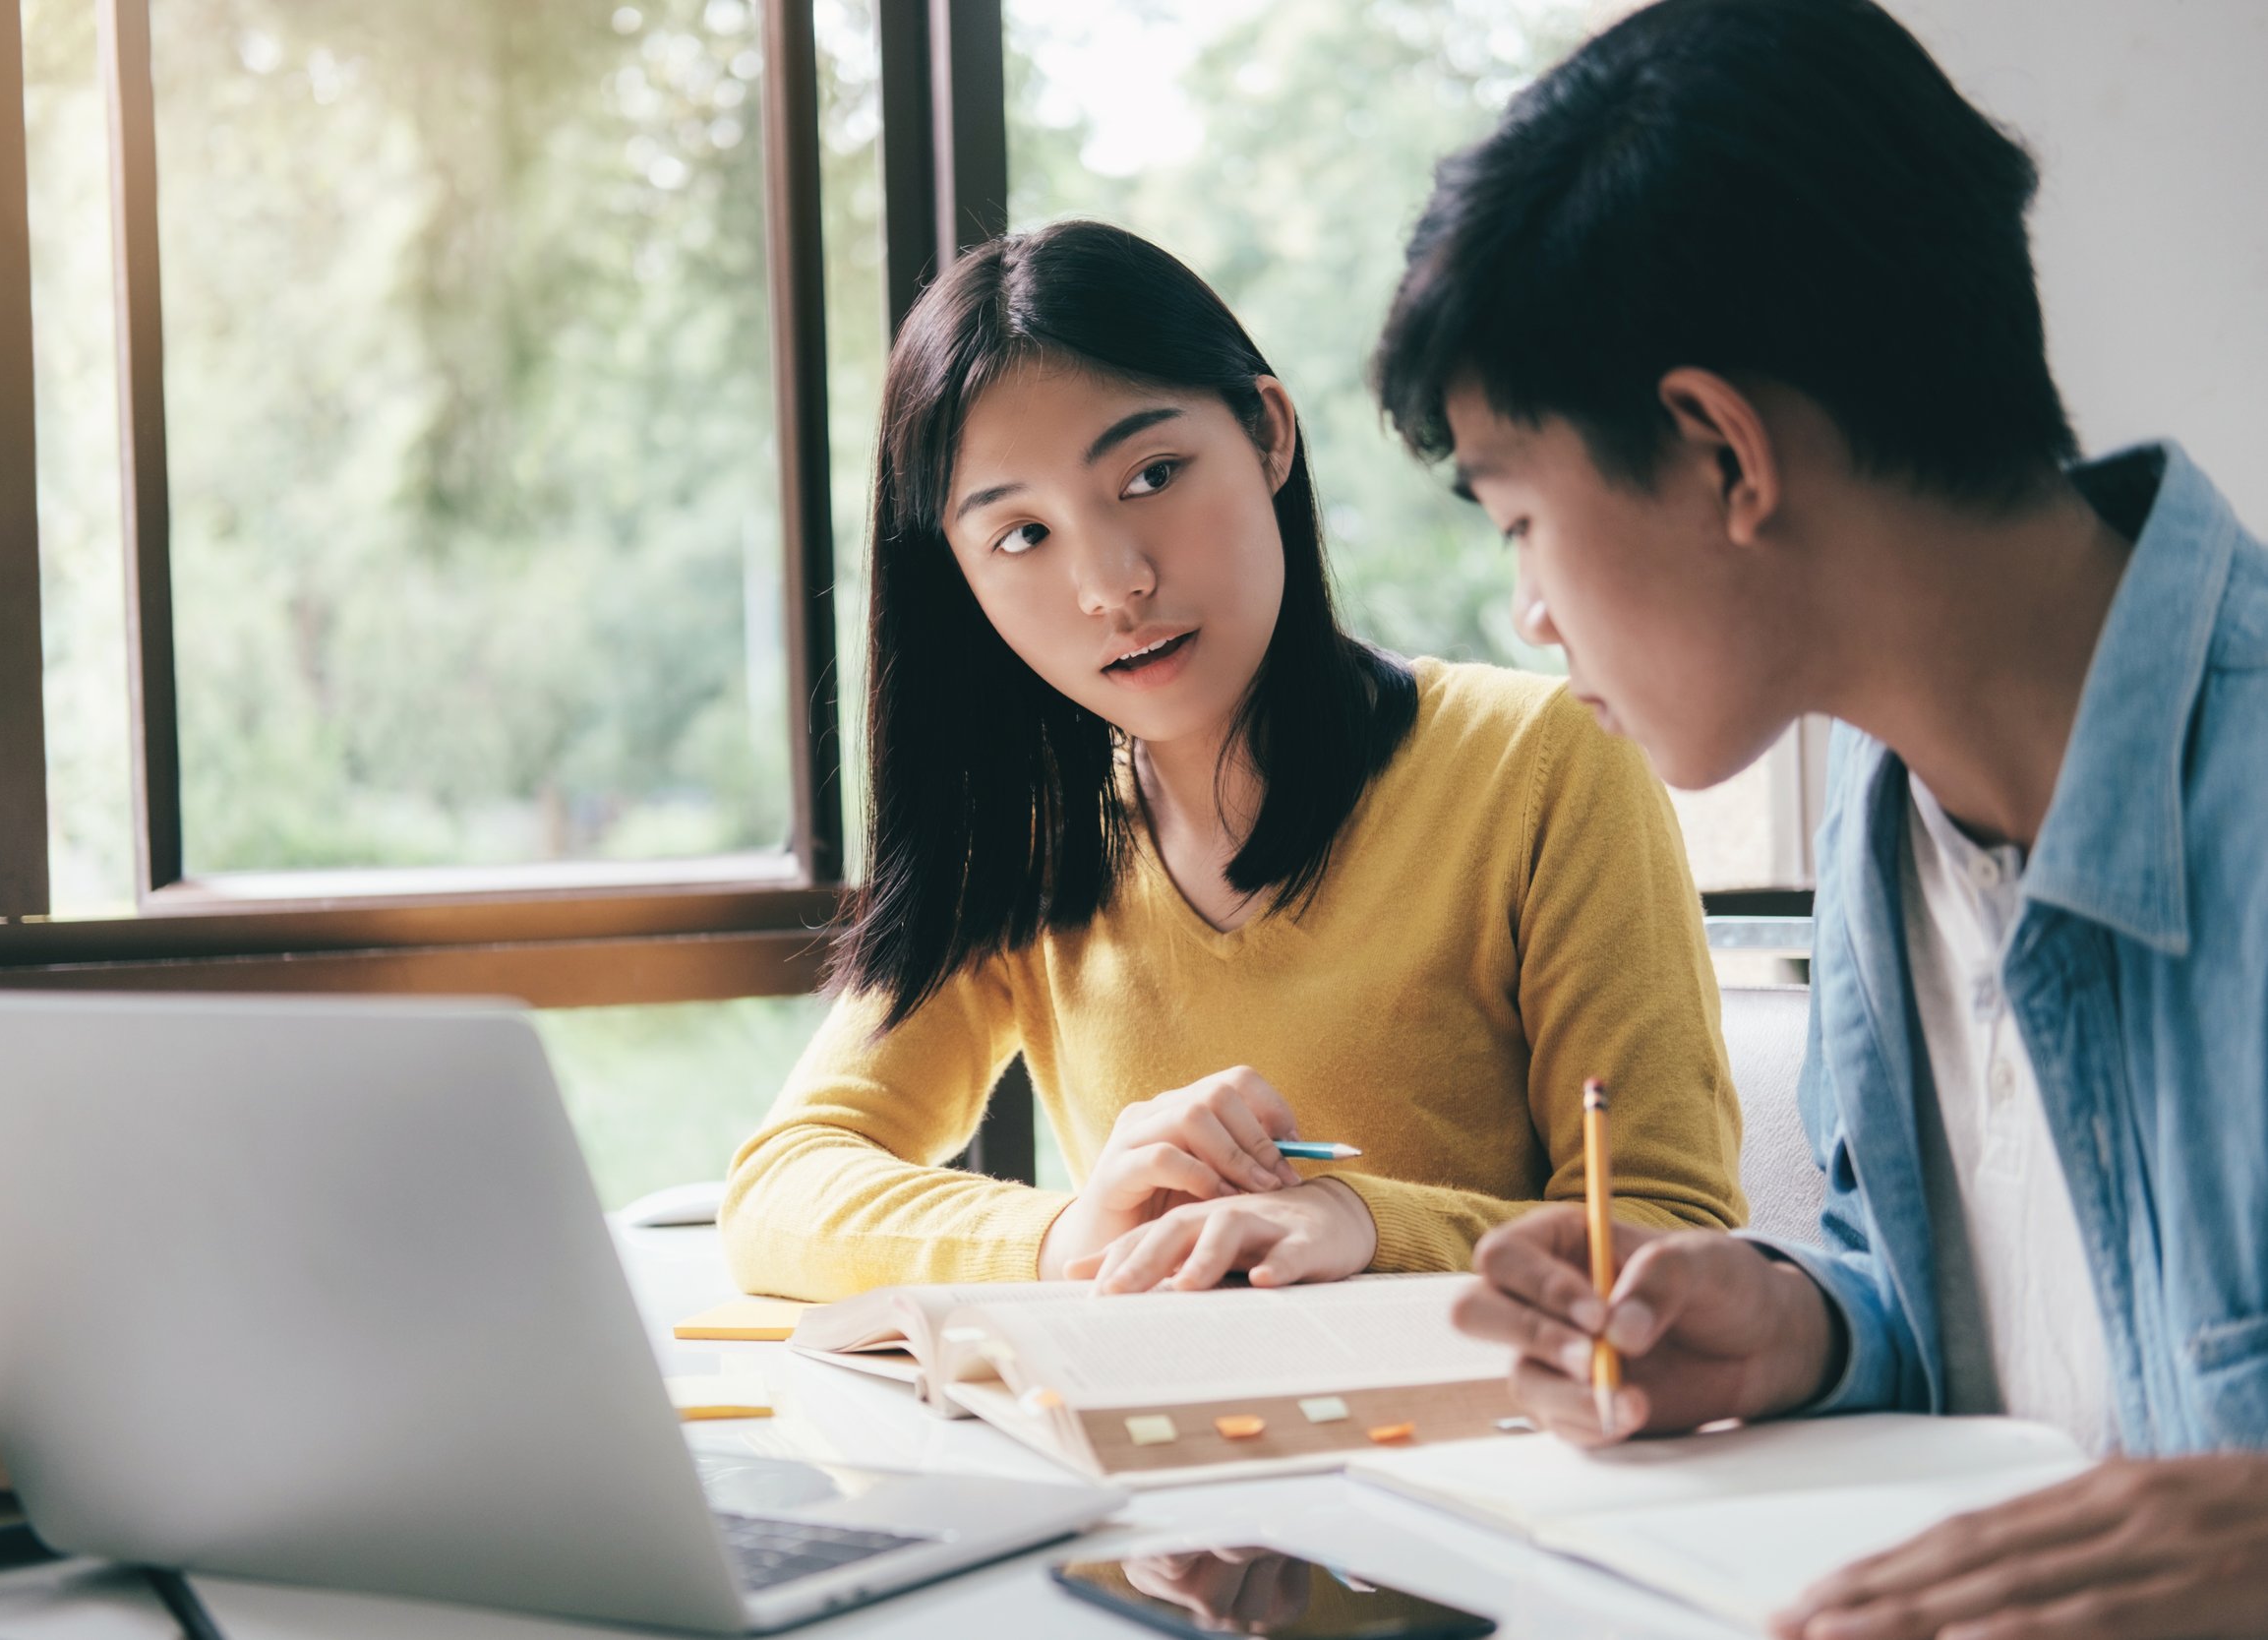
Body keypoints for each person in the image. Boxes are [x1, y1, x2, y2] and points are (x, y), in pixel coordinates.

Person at [1370, 0, 2268, 1634]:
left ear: (1721, 450)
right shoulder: (1886, 812)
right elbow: (1998, 1309)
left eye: (1520, 520)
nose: (1532, 616)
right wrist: (1807, 1322)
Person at [720, 219, 1745, 1303]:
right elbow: (782, 1188)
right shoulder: (1029, 841)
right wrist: (1072, 1231)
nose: (1112, 583)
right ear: (960, 580)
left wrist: (1364, 1219)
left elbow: (1678, 1234)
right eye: (1021, 536)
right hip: (1164, 1456)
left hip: (1485, 1448)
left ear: (1266, 432)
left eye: (1151, 473)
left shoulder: (1541, 763)